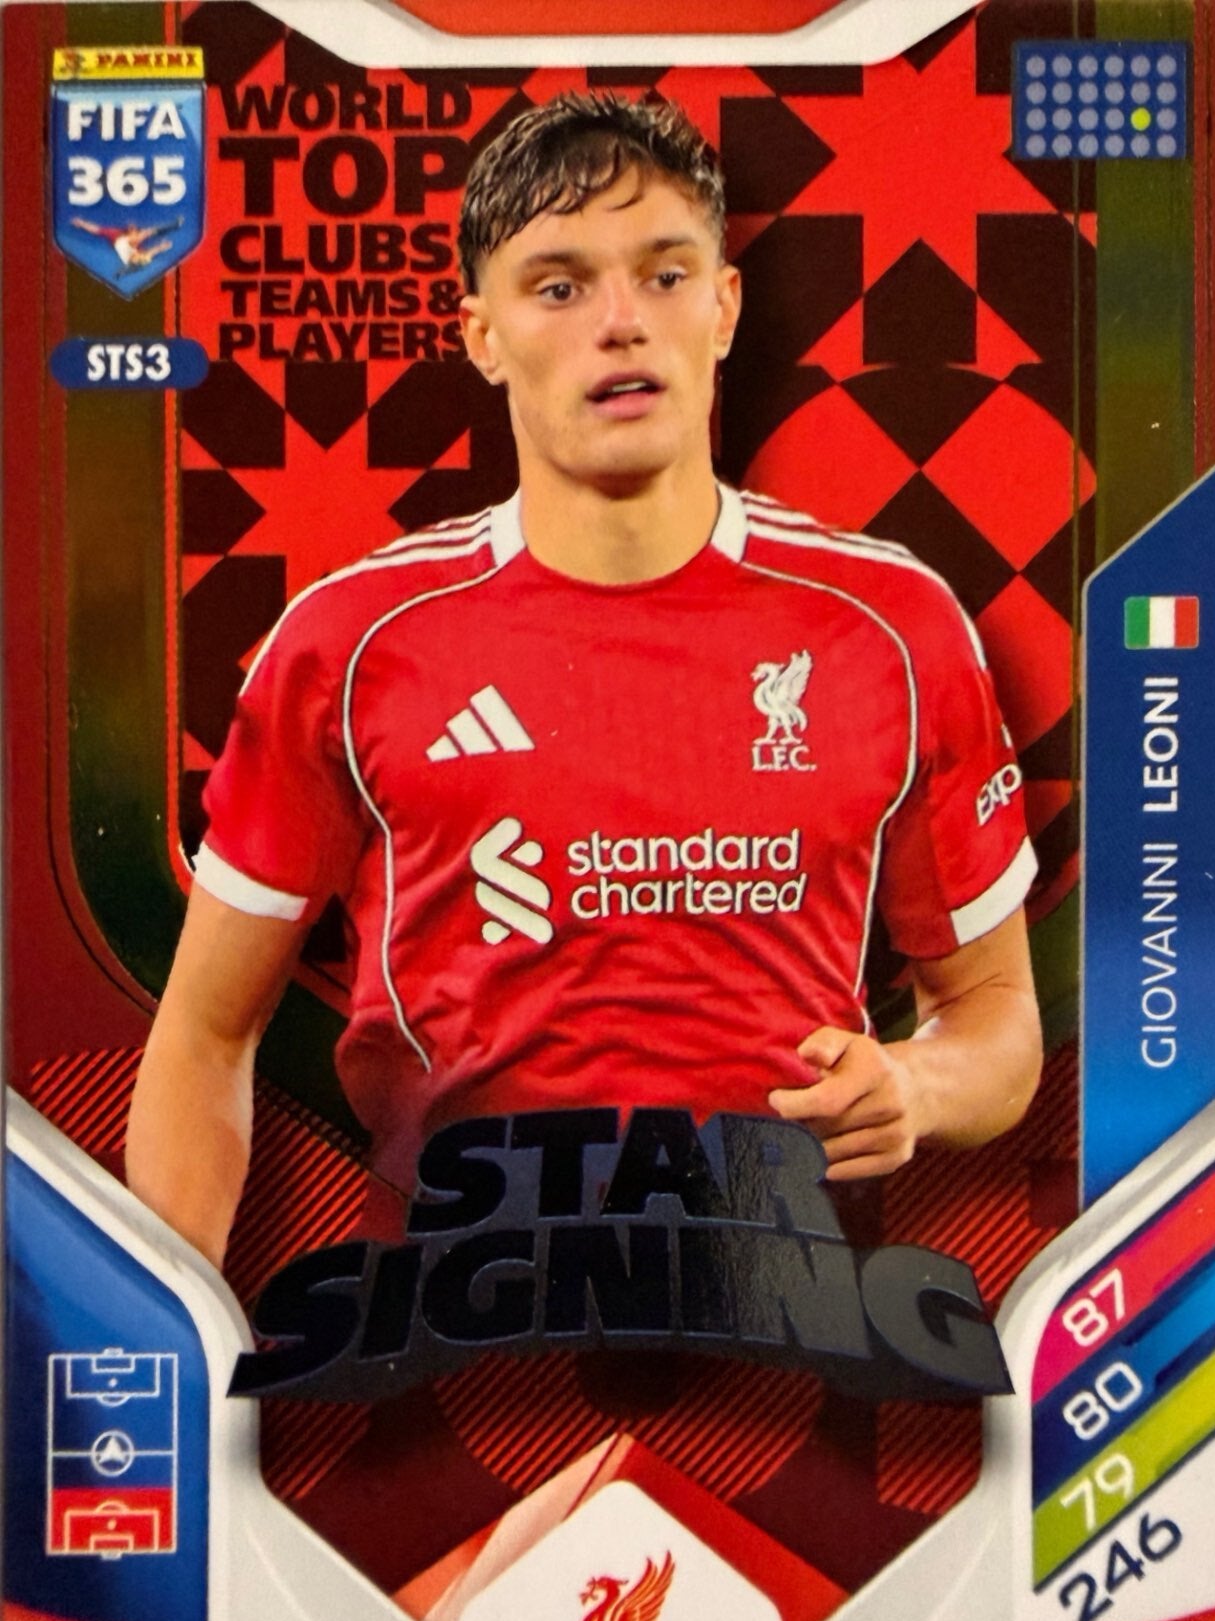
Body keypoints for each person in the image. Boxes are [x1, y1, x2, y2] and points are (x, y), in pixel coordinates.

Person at [126, 92, 1042, 1271]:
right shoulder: (346, 641)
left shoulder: (892, 626)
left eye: (663, 275)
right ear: (481, 333)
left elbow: (995, 1022)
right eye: (558, 287)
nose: (620, 323)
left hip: (790, 1312)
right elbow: (205, 1035)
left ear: (724, 306)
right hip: (448, 1320)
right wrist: (182, 1343)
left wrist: (913, 1085)